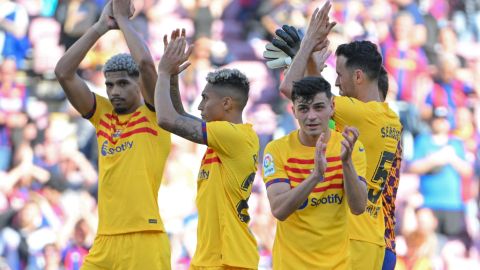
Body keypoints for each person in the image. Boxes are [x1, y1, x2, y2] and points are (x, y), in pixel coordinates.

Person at [277, 10, 403, 270]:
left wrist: (309, 42)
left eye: (340, 74)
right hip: (377, 238)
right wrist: (311, 63)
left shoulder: (360, 114)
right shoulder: (388, 119)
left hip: (355, 241)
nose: (335, 81)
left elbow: (293, 90)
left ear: (358, 76)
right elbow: (324, 120)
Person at [54, 1, 172, 269]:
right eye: (109, 84)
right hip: (104, 239)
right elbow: (63, 72)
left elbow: (144, 63)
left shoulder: (156, 114)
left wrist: (124, 22)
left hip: (145, 238)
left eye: (122, 83)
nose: (114, 91)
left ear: (139, 86)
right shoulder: (103, 115)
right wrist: (100, 26)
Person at [155, 36, 259, 269]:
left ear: (227, 103)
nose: (200, 106)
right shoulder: (223, 140)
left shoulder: (233, 136)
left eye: (205, 99)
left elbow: (166, 119)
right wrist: (172, 77)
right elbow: (179, 114)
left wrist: (162, 73)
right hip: (210, 258)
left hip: (229, 259)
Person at [262, 76, 367, 269]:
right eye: (303, 109)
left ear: (332, 107)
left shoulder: (350, 146)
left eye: (318, 107)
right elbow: (279, 209)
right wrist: (315, 177)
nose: (311, 116)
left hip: (338, 265)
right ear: (293, 111)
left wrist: (346, 163)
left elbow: (359, 207)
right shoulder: (276, 150)